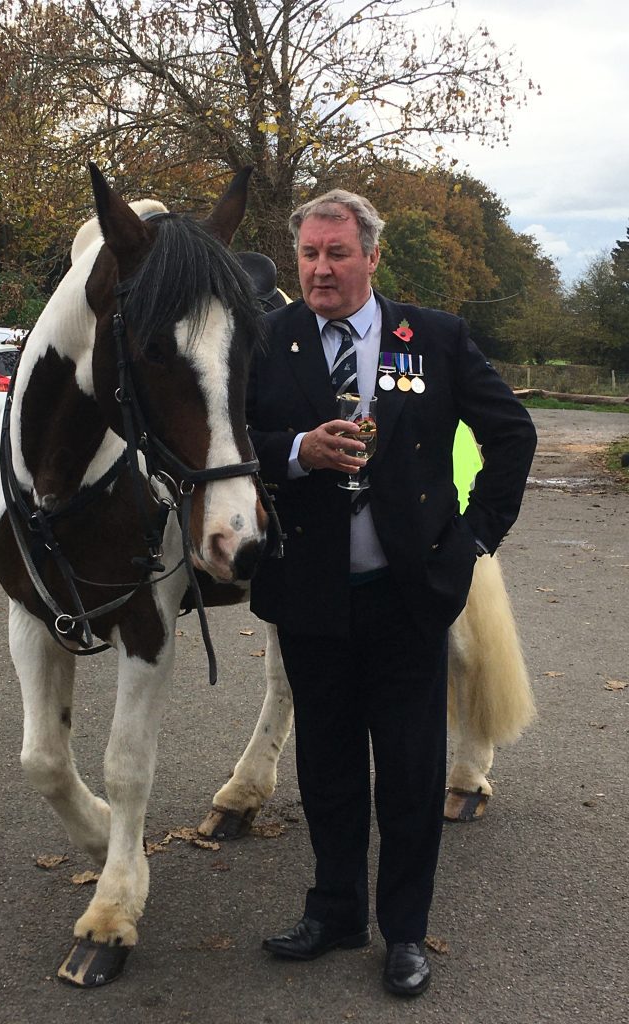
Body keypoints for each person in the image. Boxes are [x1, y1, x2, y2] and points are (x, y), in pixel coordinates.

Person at [247, 189, 537, 997]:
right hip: (309, 596)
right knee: (328, 766)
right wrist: (298, 449)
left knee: (410, 775)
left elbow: (512, 433)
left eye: (338, 253)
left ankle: (404, 933)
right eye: (309, 253)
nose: (320, 268)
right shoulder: (271, 339)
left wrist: (475, 540)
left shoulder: (431, 338)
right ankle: (335, 911)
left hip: (409, 595)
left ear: (373, 257)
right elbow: (230, 439)